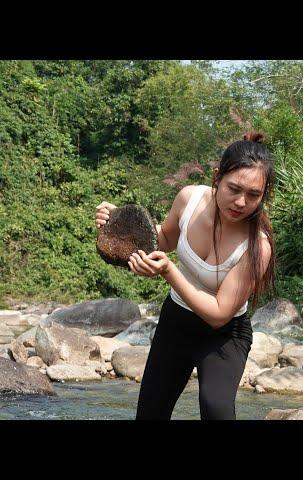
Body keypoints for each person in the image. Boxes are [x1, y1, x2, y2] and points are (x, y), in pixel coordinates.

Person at [95, 132, 275, 420]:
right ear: (217, 178)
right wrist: (119, 222)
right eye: (234, 189)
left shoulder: (257, 246)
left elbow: (219, 314)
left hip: (224, 336)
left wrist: (168, 271)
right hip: (175, 322)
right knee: (150, 414)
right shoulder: (189, 199)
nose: (241, 202)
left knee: (216, 410)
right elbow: (165, 237)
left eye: (253, 195)